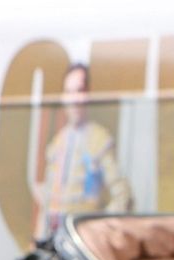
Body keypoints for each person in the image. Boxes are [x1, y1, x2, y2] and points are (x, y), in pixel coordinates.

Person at [31, 62, 132, 239]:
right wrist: (39, 241)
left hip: (82, 239)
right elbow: (48, 204)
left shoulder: (99, 140)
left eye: (79, 90)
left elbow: (123, 197)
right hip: (55, 239)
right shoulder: (57, 144)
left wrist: (95, 231)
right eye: (69, 92)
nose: (75, 99)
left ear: (88, 94)